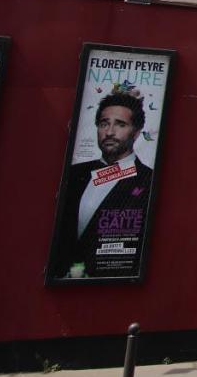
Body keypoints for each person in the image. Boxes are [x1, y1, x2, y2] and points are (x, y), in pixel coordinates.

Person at [53, 89, 153, 278]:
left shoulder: (149, 180)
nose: (109, 132)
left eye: (120, 124)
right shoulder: (74, 174)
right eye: (103, 123)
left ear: (137, 132)